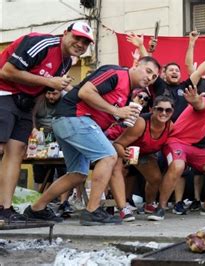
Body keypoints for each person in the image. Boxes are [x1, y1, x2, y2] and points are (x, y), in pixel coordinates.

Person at [23, 56, 160, 225]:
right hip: (73, 118)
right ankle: (92, 211)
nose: (149, 78)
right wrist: (116, 112)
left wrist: (121, 119)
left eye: (154, 77)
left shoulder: (126, 95)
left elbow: (105, 114)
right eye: (148, 71)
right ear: (135, 64)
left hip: (69, 123)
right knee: (109, 156)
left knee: (78, 174)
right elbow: (85, 92)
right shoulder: (116, 73)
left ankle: (36, 209)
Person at [0, 21, 93, 221]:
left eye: (85, 42)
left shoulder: (68, 61)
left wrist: (32, 123)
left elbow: (41, 92)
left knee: (16, 152)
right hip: (3, 93)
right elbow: (6, 71)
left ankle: (4, 209)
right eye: (76, 37)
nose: (80, 44)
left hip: (25, 103)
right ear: (65, 33)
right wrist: (49, 82)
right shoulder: (43, 43)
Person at [158, 83, 205, 219]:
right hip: (176, 142)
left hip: (195, 148)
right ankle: (161, 208)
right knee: (178, 165)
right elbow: (199, 104)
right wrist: (194, 100)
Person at [112, 96, 174, 222]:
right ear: (152, 109)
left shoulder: (170, 126)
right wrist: (124, 155)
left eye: (168, 110)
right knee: (121, 172)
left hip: (143, 154)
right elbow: (117, 144)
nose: (163, 113)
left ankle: (149, 204)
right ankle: (122, 207)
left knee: (156, 178)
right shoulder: (141, 123)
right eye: (160, 109)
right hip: (122, 149)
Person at [31, 88, 72, 216]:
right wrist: (33, 129)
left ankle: (63, 203)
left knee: (64, 169)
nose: (51, 96)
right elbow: (30, 115)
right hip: (41, 137)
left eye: (54, 93)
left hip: (61, 137)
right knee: (40, 171)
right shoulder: (38, 99)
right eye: (48, 93)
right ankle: (41, 202)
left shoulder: (66, 99)